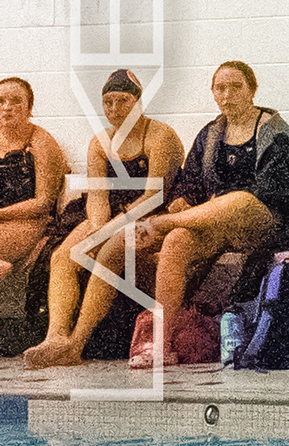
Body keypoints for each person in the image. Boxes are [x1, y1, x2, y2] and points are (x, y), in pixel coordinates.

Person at [24, 70, 181, 368]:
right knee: (63, 256)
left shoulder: (159, 136)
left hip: (150, 214)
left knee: (104, 253)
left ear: (138, 102)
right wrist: (97, 230)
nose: (114, 109)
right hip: (112, 215)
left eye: (123, 101)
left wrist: (104, 236)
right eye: (108, 102)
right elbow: (97, 199)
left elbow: (153, 198)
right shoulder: (100, 142)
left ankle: (76, 343)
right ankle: (55, 337)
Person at [135, 63, 289, 328]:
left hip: (267, 223)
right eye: (220, 88)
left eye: (236, 87)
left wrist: (216, 202)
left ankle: (160, 223)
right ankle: (164, 338)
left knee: (240, 199)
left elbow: (274, 192)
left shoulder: (275, 133)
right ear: (213, 92)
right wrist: (183, 200)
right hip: (218, 224)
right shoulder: (210, 134)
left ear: (252, 90)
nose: (227, 95)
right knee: (177, 239)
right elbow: (191, 181)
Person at [0, 78, 68, 303]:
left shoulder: (41, 142)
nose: (7, 107)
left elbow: (43, 203)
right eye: (1, 101)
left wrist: (2, 214)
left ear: (29, 108)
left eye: (16, 101)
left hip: (28, 220)